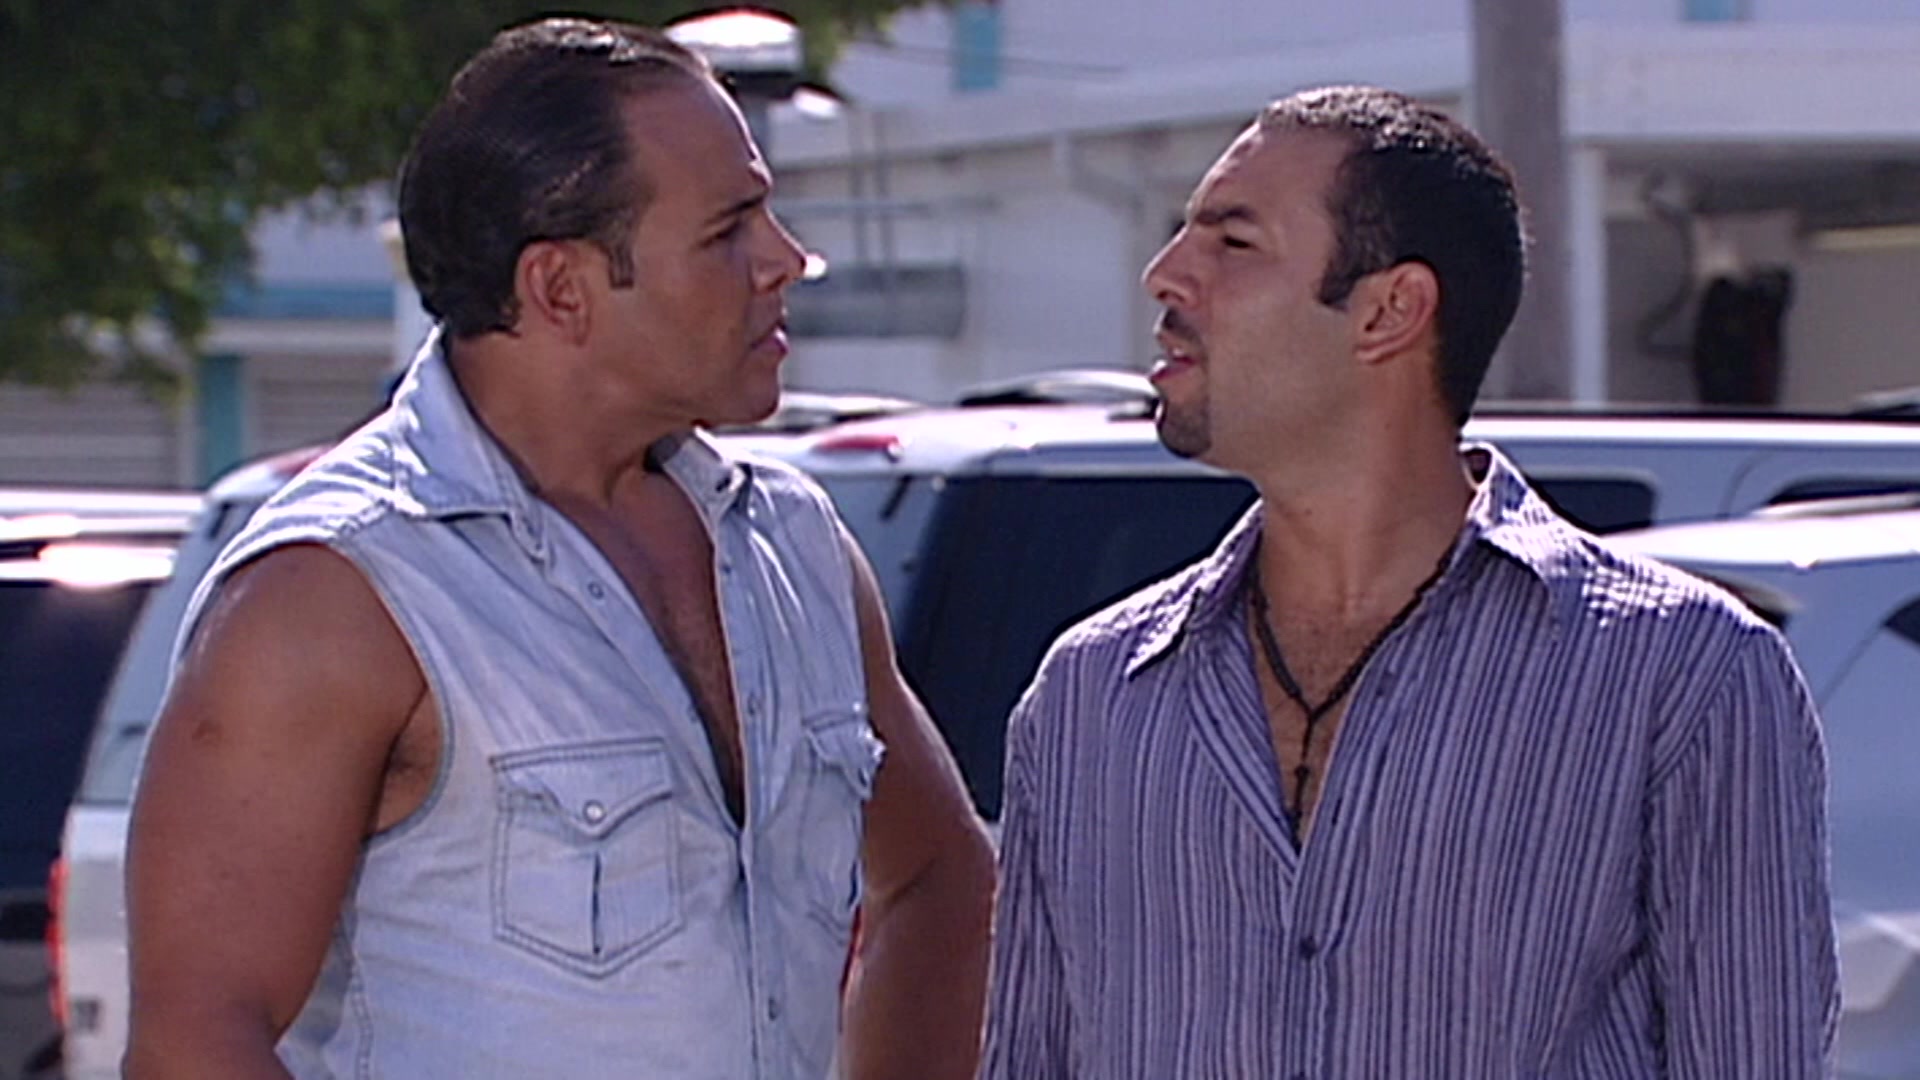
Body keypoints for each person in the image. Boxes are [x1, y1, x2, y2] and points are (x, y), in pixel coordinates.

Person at [124, 19, 994, 1080]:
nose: (786, 260)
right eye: (728, 231)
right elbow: (192, 1039)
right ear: (560, 289)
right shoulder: (341, 589)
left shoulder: (795, 548)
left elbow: (942, 874)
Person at [983, 85, 1837, 1077]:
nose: (1165, 273)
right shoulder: (1088, 698)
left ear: (1389, 312)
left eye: (1234, 242)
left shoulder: (1680, 681)